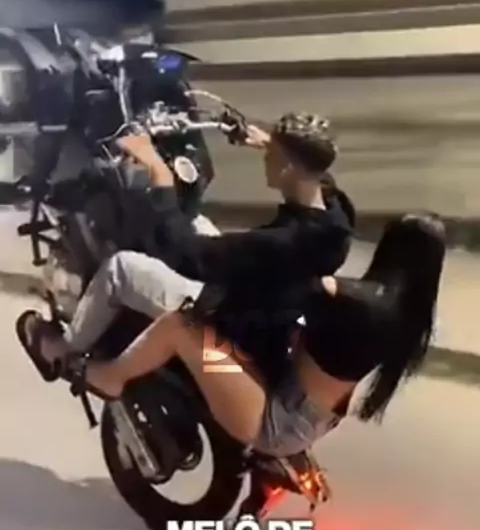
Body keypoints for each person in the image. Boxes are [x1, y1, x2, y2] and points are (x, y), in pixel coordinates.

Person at [47, 213, 447, 457]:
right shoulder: (410, 317)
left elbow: (296, 287)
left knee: (180, 327)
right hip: (310, 413)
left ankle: (109, 377)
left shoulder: (355, 298)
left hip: (276, 418)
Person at [19, 112, 355, 387]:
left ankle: (60, 351)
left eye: (272, 156)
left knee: (121, 268)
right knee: (194, 219)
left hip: (228, 316)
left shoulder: (285, 240)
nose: (266, 159)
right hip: (268, 303)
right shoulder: (337, 216)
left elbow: (188, 254)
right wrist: (269, 143)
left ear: (288, 167)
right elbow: (316, 178)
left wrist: (159, 172)